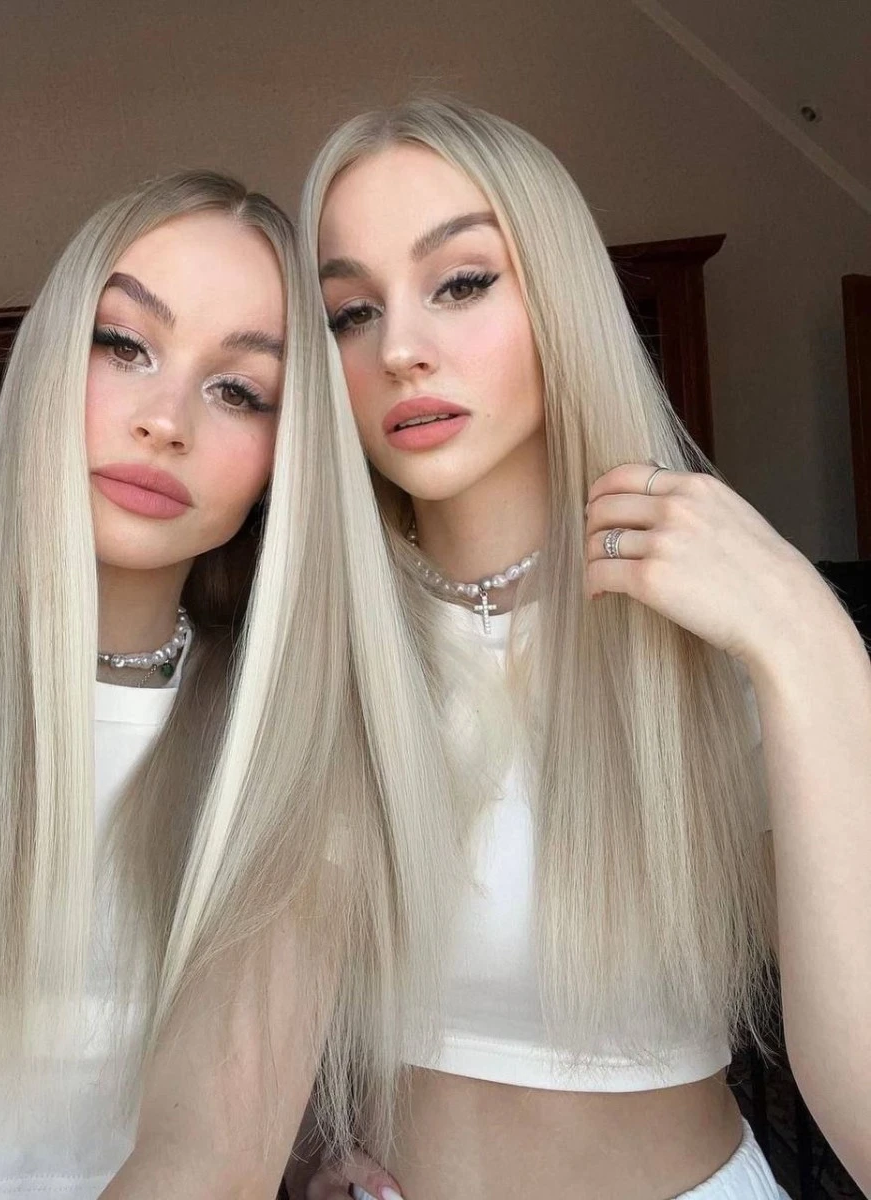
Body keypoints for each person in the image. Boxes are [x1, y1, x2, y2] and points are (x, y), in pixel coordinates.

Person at [291, 98, 871, 1199]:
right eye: (350, 312)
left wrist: (810, 641)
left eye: (461, 282)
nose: (400, 349)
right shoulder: (310, 654)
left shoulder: (719, 626)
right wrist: (305, 1150)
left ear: (560, 296)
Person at [0, 171, 356, 1198]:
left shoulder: (279, 741)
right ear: (45, 362)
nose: (164, 420)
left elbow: (215, 1157)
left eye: (239, 390)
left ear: (288, 456)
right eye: (123, 344)